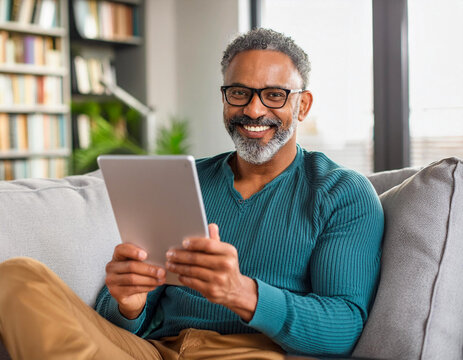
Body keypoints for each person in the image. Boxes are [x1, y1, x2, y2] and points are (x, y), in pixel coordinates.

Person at [0, 28, 383, 359]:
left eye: (275, 95)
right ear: (224, 98)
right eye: (239, 92)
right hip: (150, 350)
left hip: (247, 352)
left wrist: (242, 293)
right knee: (18, 276)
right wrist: (127, 305)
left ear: (303, 104)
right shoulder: (182, 180)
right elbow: (129, 312)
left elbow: (345, 327)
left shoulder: (341, 193)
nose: (253, 109)